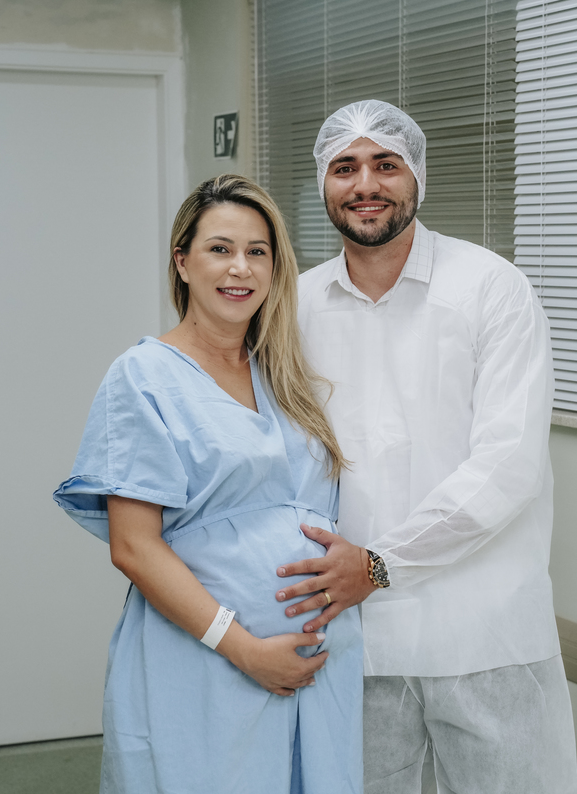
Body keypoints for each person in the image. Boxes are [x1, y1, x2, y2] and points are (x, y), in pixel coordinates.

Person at [273, 101, 577, 793]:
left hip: (484, 633)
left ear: (416, 175)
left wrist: (379, 564)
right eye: (345, 168)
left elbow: (508, 465)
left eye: (386, 164)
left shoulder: (490, 288)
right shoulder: (295, 305)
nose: (366, 185)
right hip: (354, 640)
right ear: (322, 183)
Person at [53, 174, 364, 794]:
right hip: (209, 661)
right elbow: (133, 546)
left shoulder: (287, 376)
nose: (240, 268)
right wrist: (244, 648)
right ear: (183, 261)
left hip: (318, 668)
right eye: (220, 249)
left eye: (257, 251)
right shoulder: (143, 376)